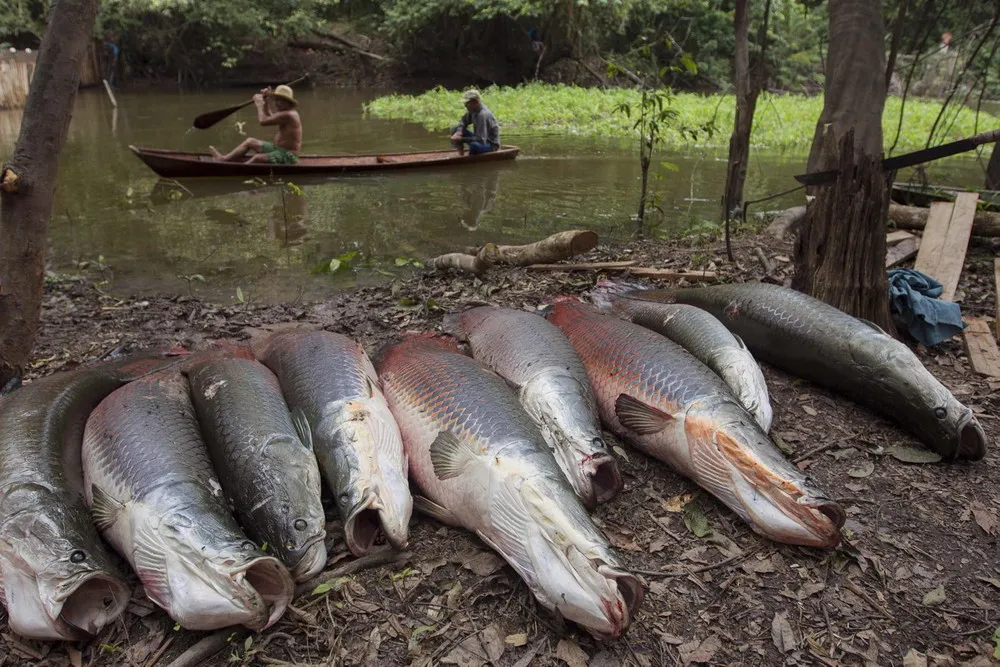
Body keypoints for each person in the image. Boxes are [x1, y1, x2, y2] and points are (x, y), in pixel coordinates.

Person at [211, 84, 302, 164]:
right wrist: (265, 102)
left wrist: (259, 104)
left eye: (280, 101)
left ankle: (238, 170)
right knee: (250, 142)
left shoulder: (289, 115)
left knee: (257, 158)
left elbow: (263, 121)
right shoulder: (285, 112)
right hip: (277, 149)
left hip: (288, 155)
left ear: (288, 103)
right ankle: (223, 159)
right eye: (276, 100)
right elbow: (269, 117)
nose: (276, 103)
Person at [450, 89, 500, 156]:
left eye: (467, 103)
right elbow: (463, 121)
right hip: (480, 139)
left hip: (490, 144)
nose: (465, 105)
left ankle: (469, 159)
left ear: (475, 102)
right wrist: (459, 132)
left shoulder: (482, 114)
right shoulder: (473, 110)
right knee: (455, 129)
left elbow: (481, 139)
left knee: (474, 146)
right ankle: (461, 154)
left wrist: (461, 139)